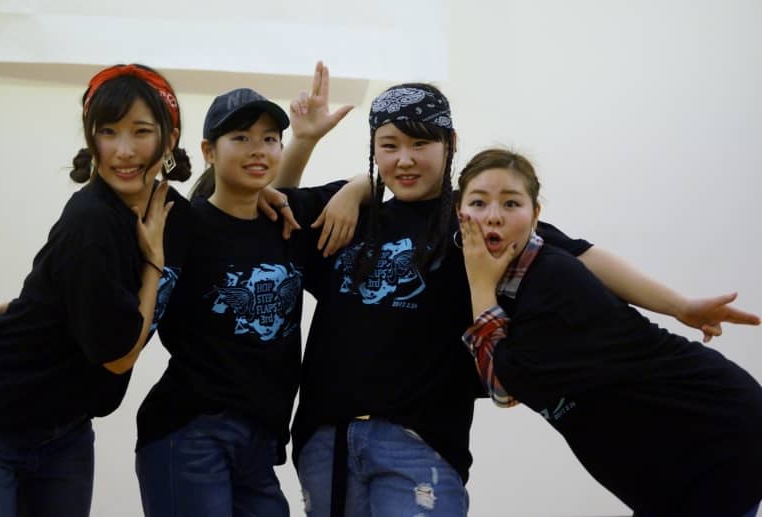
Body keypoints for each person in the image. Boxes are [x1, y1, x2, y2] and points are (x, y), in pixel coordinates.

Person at [280, 84, 761, 517]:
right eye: (389, 146)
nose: (405, 159)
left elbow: (585, 256)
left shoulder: (476, 222)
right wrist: (310, 148)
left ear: (449, 144)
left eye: (420, 144)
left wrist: (678, 305)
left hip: (421, 437)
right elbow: (270, 217)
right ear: (373, 150)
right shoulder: (348, 213)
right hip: (326, 435)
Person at [458, 148, 762, 517]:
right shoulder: (515, 249)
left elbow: (503, 388)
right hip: (665, 459)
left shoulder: (553, 284)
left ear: (535, 214)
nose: (493, 216)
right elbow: (585, 252)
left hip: (714, 434)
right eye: (478, 202)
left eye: (511, 203)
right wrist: (680, 306)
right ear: (457, 210)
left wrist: (480, 285)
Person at [0, 63, 195, 517]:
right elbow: (119, 357)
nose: (123, 151)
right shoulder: (91, 219)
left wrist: (277, 192)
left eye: (141, 131)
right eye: (108, 131)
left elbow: (61, 295)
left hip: (67, 432)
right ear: (91, 139)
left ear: (169, 138)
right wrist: (153, 262)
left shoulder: (174, 213)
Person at [134, 63, 366, 517]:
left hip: (260, 442)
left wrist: (354, 187)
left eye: (269, 139)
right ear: (208, 151)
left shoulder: (289, 219)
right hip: (191, 431)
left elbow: (385, 184)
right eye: (240, 138)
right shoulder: (184, 225)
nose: (258, 149)